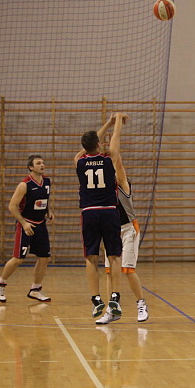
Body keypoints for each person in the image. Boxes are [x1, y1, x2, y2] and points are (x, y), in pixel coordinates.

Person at [75, 113, 126, 321]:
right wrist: (117, 121)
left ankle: (96, 299)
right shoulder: (108, 158)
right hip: (109, 211)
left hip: (89, 212)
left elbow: (88, 146)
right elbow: (116, 139)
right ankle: (115, 297)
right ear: (98, 144)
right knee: (114, 256)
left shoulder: (79, 161)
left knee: (91, 257)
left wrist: (106, 124)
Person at [94, 144, 149, 325]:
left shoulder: (123, 184)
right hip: (111, 231)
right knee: (110, 272)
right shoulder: (103, 189)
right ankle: (112, 309)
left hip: (128, 229)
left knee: (127, 269)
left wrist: (113, 151)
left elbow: (119, 168)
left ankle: (141, 303)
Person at [0, 155, 55, 303]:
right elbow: (12, 206)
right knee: (18, 259)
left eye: (43, 162)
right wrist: (24, 223)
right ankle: (0, 284)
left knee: (45, 257)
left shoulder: (46, 181)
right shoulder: (24, 184)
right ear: (31, 167)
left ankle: (35, 289)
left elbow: (45, 198)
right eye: (38, 163)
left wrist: (49, 211)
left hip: (40, 224)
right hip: (26, 225)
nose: (42, 165)